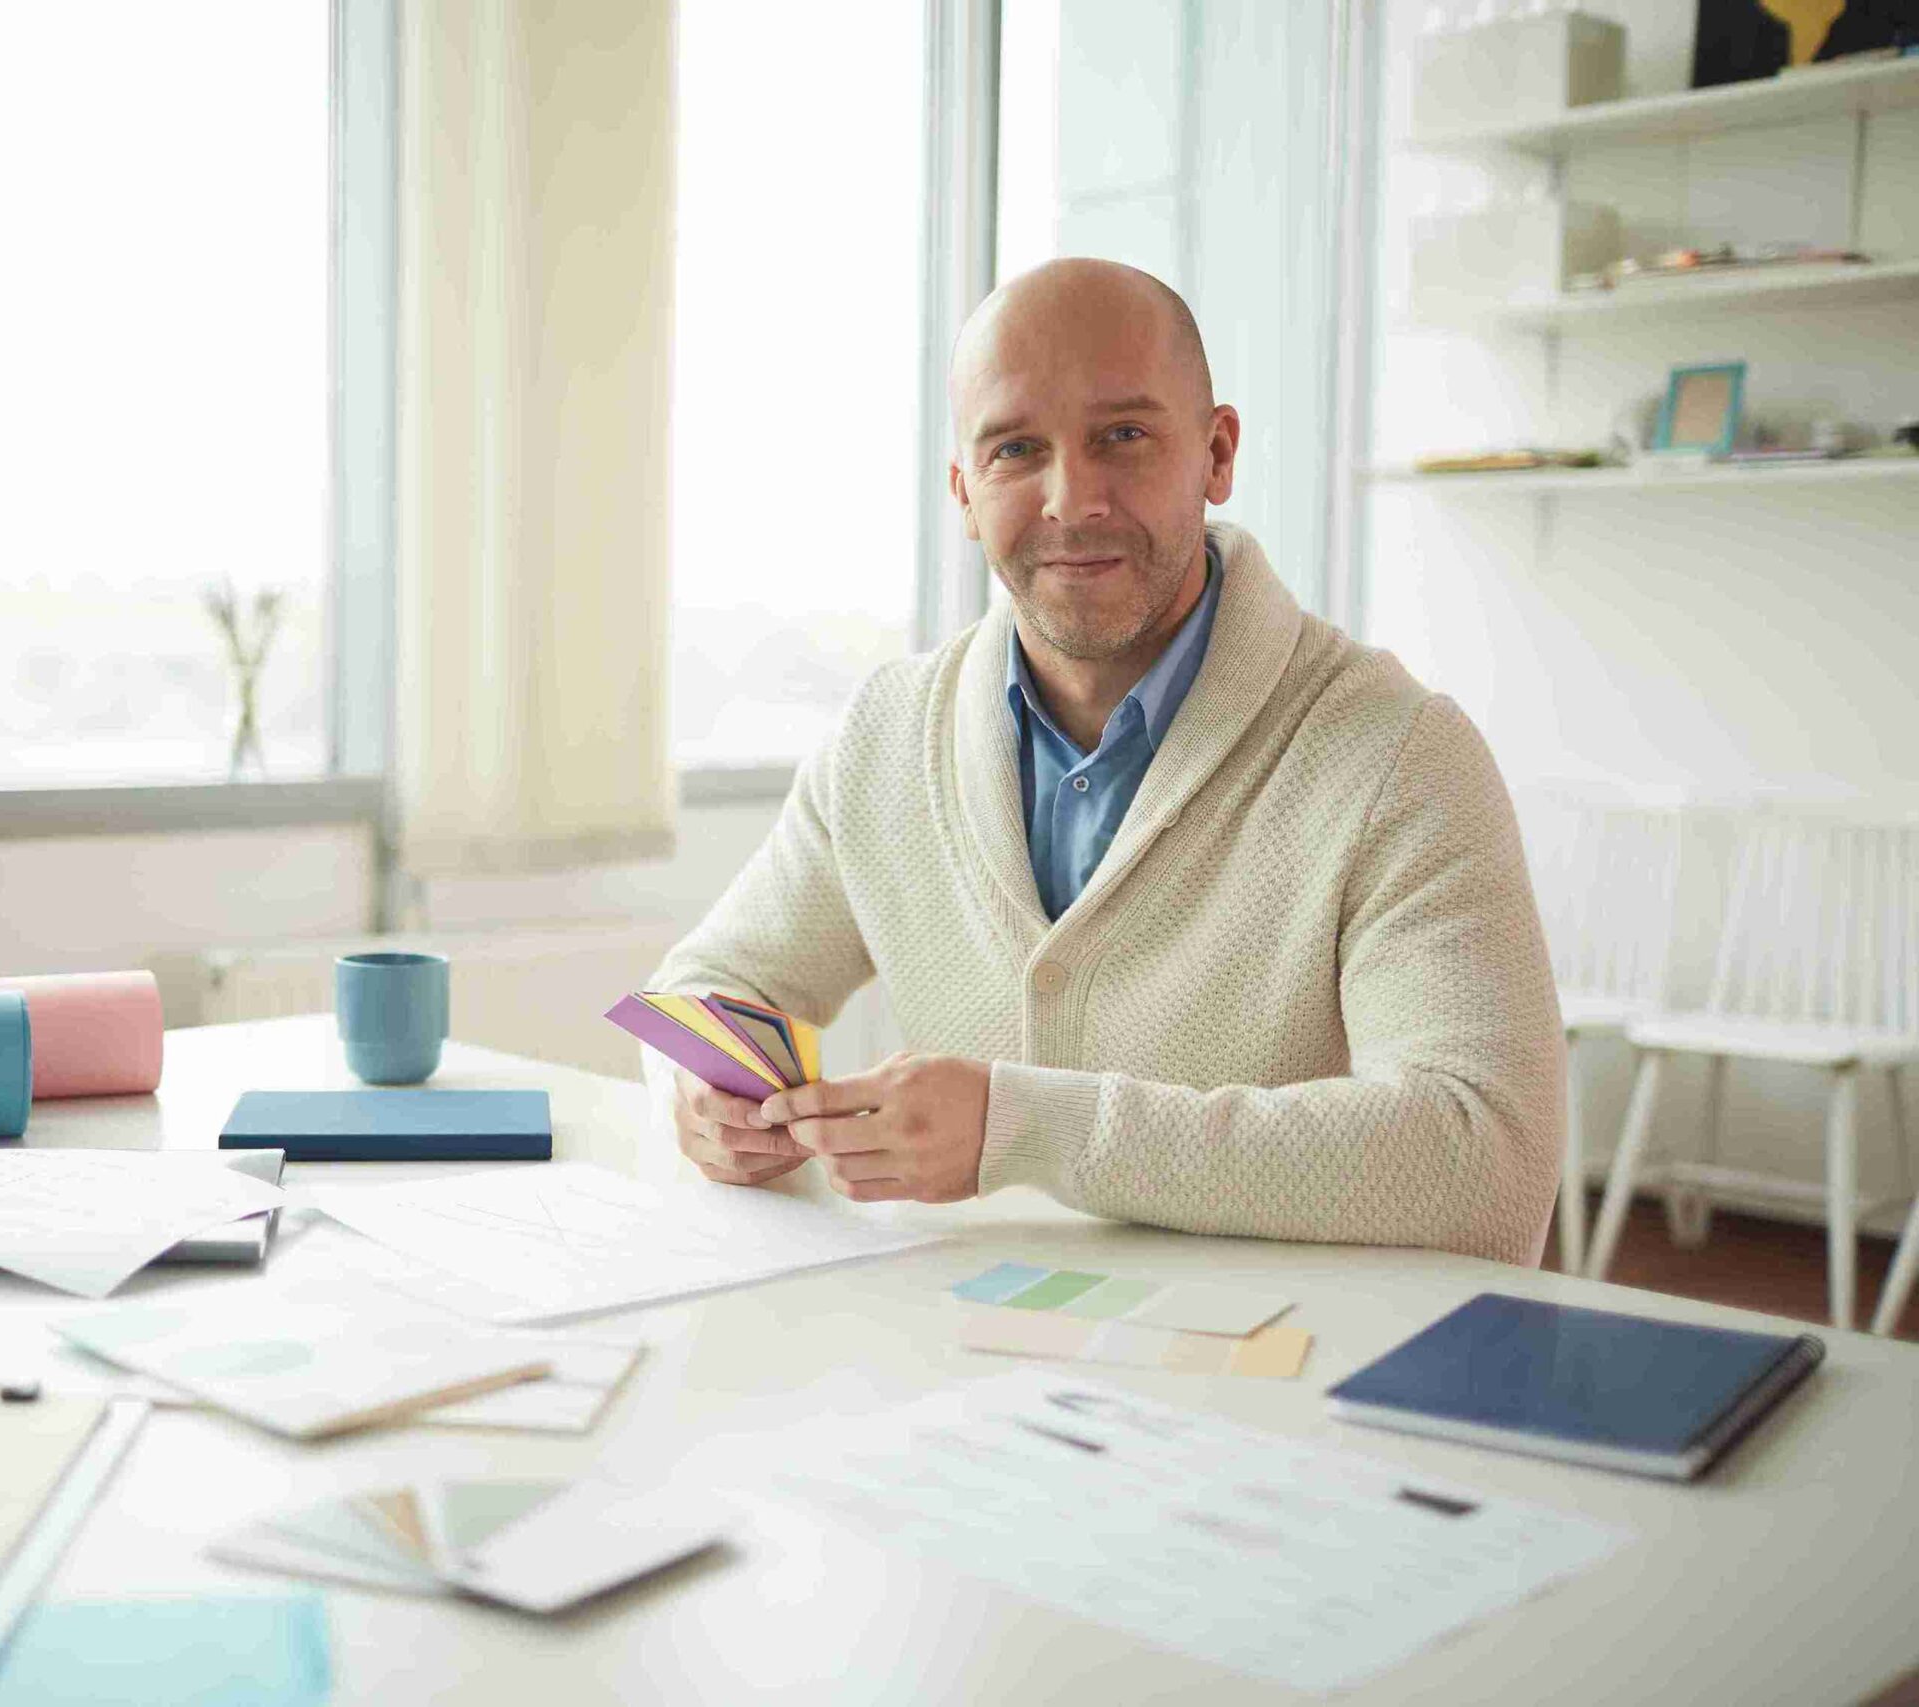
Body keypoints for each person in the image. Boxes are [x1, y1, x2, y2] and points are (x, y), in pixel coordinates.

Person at [647, 258, 1562, 1265]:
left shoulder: (1396, 754)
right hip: (964, 1354)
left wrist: (1019, 1127)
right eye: (1014, 450)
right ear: (962, 489)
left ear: (1215, 455)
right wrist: (700, 1092)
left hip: (1279, 1373)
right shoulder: (885, 733)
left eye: (1121, 437)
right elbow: (711, 983)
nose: (1070, 499)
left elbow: (1485, 1163)